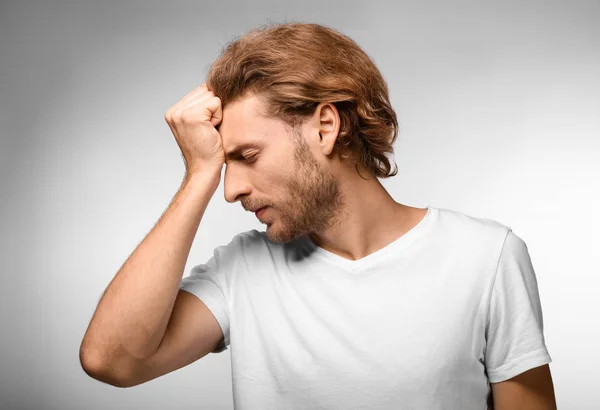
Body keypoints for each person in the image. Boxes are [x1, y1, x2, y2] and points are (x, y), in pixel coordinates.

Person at [80, 22, 557, 409]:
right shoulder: (242, 270)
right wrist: (198, 173)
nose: (231, 190)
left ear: (325, 127)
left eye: (246, 155)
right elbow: (111, 361)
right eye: (225, 166)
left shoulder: (486, 257)